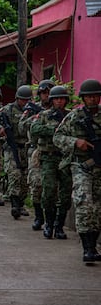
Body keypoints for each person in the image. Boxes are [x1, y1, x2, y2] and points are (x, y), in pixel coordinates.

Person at [53, 79, 101, 262]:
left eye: (96, 96)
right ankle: (87, 247)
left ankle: (94, 245)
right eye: (89, 96)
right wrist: (75, 142)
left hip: (99, 167)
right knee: (83, 202)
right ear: (83, 98)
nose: (93, 99)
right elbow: (57, 137)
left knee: (97, 207)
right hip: (82, 166)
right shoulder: (74, 116)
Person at [30, 86, 72, 239]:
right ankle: (48, 223)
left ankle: (59, 226)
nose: (59, 101)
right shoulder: (44, 115)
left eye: (62, 98)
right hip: (48, 157)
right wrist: (53, 129)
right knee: (48, 192)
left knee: (66, 194)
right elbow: (34, 130)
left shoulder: (71, 116)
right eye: (56, 98)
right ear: (52, 100)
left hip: (66, 158)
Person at [0, 85, 32, 219]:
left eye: (27, 100)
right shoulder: (8, 109)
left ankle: (21, 204)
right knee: (14, 175)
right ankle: (14, 206)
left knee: (25, 179)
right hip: (11, 147)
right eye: (22, 100)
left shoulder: (32, 110)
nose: (24, 103)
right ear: (17, 98)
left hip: (26, 147)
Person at [19, 79, 55, 230]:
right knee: (36, 185)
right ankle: (39, 217)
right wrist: (34, 119)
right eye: (43, 93)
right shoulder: (33, 109)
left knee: (54, 189)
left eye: (48, 93)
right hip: (36, 151)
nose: (45, 96)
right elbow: (21, 127)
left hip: (55, 152)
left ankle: (53, 221)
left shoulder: (58, 110)